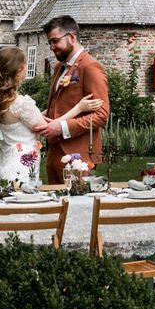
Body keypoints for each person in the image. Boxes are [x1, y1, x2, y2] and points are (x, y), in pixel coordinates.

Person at [0, 45, 101, 188]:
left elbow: (32, 118)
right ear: (19, 69)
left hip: (3, 166)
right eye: (25, 64)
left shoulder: (0, 101)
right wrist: (79, 108)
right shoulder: (21, 103)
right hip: (21, 169)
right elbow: (48, 128)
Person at [30, 15, 110, 184]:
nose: (52, 47)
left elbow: (101, 115)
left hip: (78, 155)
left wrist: (62, 128)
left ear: (72, 37)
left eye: (55, 41)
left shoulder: (90, 67)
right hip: (54, 152)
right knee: (56, 207)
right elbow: (57, 106)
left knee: (78, 208)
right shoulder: (59, 67)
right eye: (50, 42)